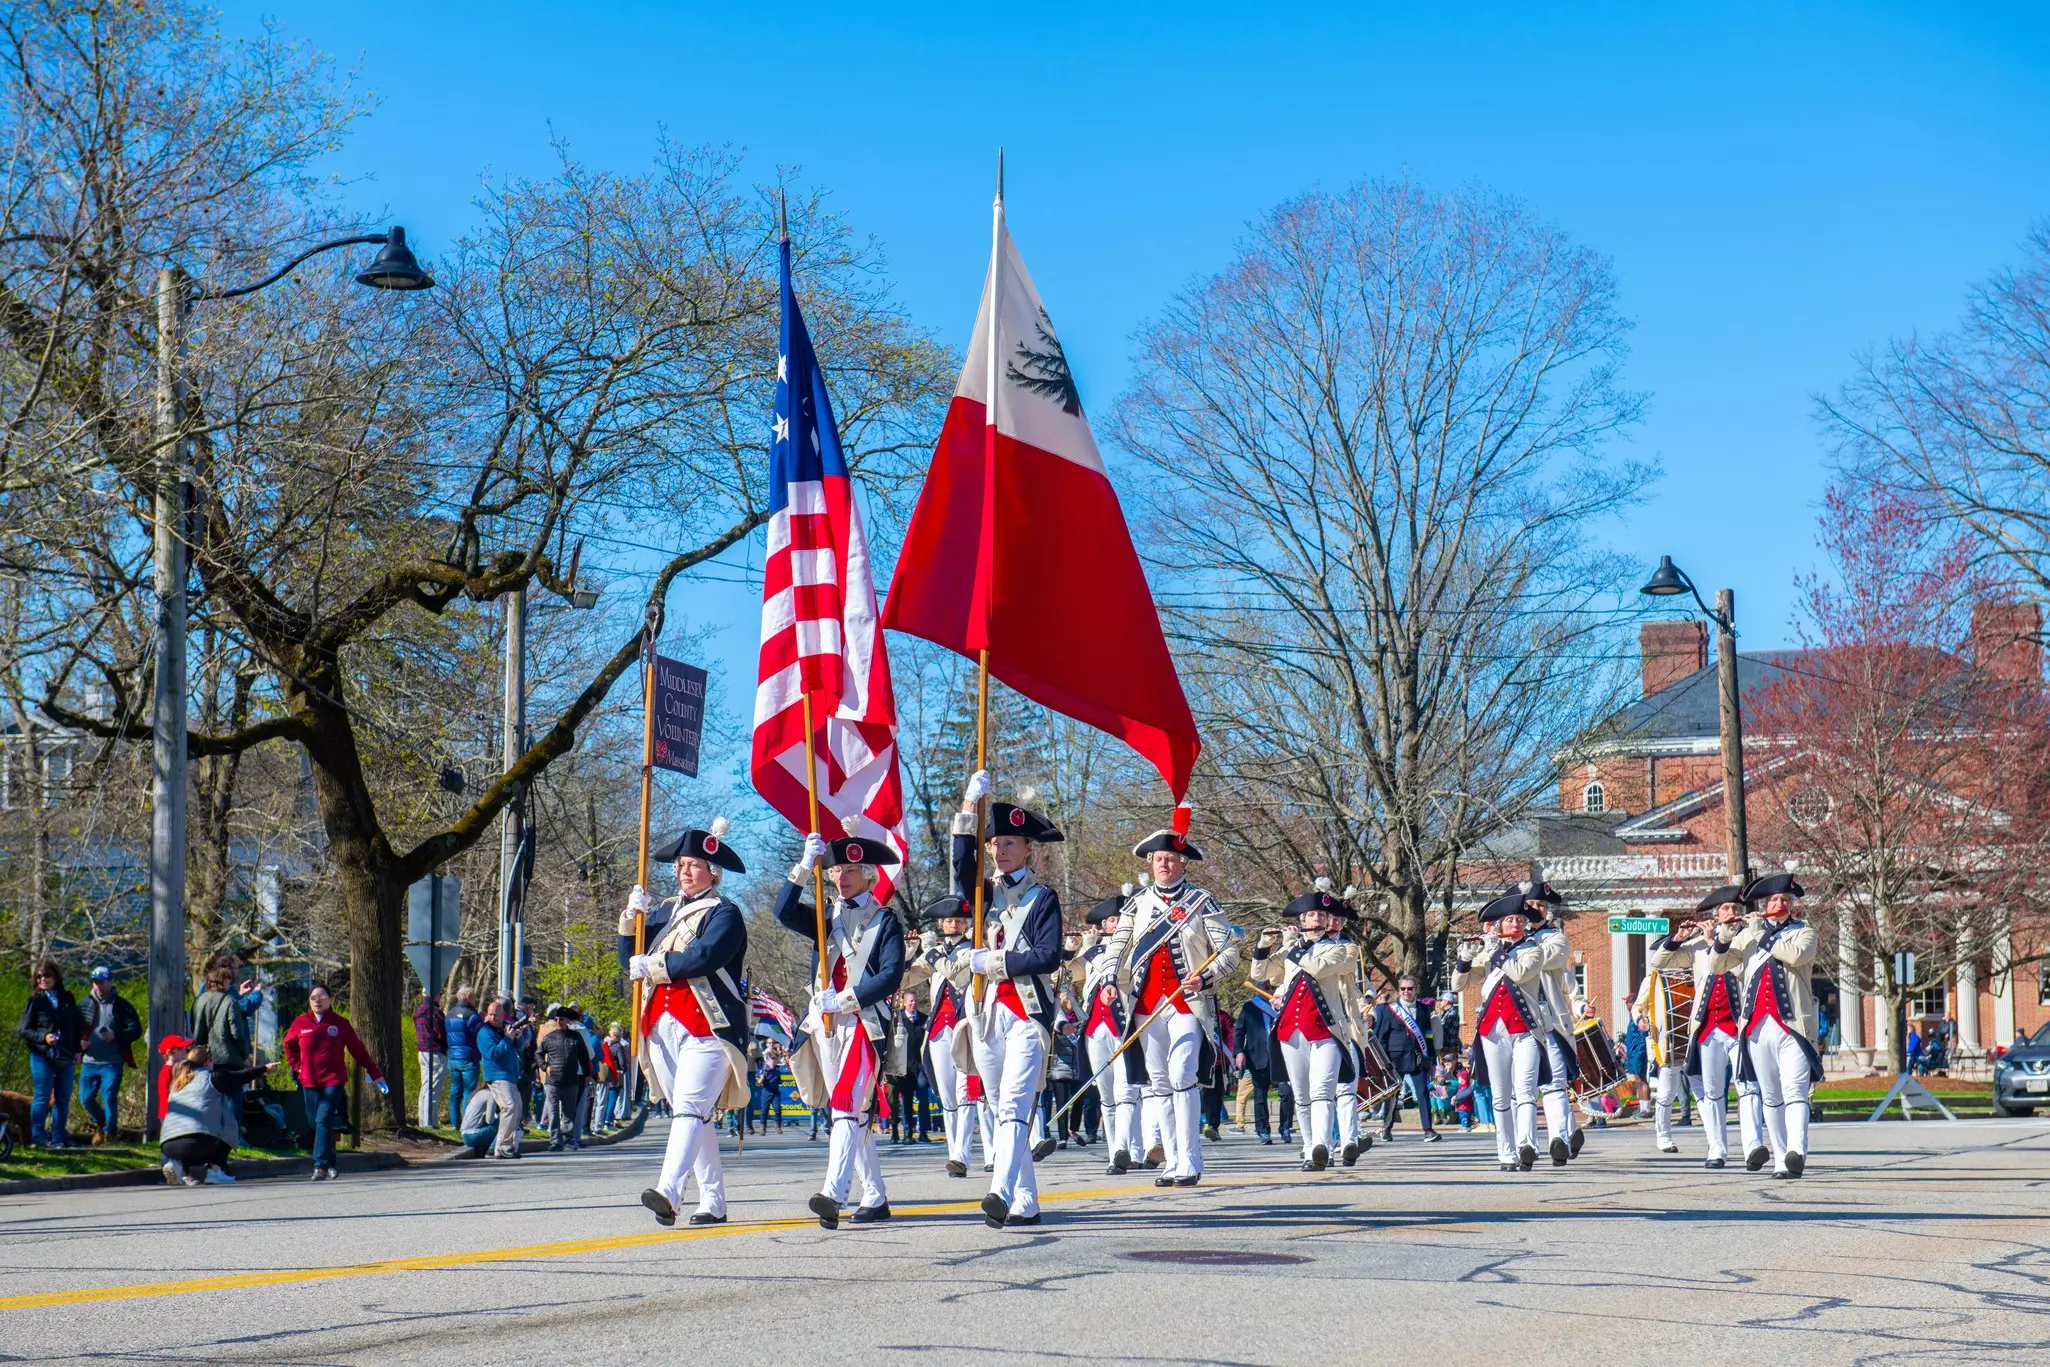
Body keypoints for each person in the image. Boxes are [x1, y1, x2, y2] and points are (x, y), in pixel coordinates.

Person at [1100, 804, 1241, 1189]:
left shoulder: (1202, 901)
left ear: (1183, 864)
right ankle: (1171, 1160)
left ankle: (1191, 1160)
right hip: (1146, 1005)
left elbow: (1230, 952)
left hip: (1186, 1004)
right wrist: (1110, 977)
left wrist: (1206, 976)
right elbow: (1118, 944)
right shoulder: (1137, 903)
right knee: (1158, 1082)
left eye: (1170, 859)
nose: (1163, 864)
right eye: (1158, 859)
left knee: (1182, 1074)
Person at [945, 777, 1065, 1228]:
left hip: (1027, 1014)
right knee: (999, 1108)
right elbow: (961, 864)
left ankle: (998, 1190)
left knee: (1014, 1106)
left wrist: (990, 960)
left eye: (1010, 843)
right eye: (995, 843)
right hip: (986, 1013)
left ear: (1028, 849)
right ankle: (1027, 1201)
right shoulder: (983, 893)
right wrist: (969, 804)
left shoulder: (1043, 897)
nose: (1000, 852)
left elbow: (1047, 955)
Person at [775, 825, 907, 1229]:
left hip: (864, 1023)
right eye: (835, 870)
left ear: (870, 875)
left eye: (851, 869)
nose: (841, 875)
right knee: (853, 1111)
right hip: (826, 1026)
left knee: (846, 1109)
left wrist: (846, 999)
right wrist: (801, 866)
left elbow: (889, 976)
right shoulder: (824, 915)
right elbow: (781, 910)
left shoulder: (885, 920)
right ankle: (876, 1195)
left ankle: (834, 1192)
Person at [623, 820, 753, 1226]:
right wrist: (632, 921)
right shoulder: (662, 913)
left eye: (694, 864)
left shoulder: (724, 913)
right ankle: (713, 1201)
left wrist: (655, 963)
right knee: (692, 1114)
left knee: (690, 1108)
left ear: (713, 872)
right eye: (681, 864)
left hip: (708, 1026)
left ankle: (669, 1191)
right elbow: (630, 962)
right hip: (661, 1025)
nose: (684, 871)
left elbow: (705, 957)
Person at [1251, 883, 1366, 1171]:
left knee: (1322, 1090)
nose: (1317, 919)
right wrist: (1264, 945)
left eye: (1321, 915)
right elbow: (1260, 974)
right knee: (1301, 1095)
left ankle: (1323, 1146)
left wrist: (1293, 947)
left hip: (1326, 1029)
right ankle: (1308, 1148)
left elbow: (1319, 968)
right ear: (1302, 921)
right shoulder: (1292, 950)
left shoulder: (1341, 948)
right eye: (1311, 915)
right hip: (1291, 1028)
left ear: (1328, 921)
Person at [1647, 885, 1761, 1169]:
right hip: (1708, 1027)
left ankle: (1753, 1147)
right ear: (1716, 915)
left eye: (1736, 909)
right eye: (1726, 910)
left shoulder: (1747, 938)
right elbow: (1658, 961)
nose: (1732, 914)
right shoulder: (1698, 945)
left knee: (1747, 1087)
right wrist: (1678, 938)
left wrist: (1746, 930)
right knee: (1712, 1093)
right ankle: (1717, 1149)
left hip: (1739, 1025)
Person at [1451, 891, 1556, 1172]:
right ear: (1498, 925)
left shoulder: (1534, 949)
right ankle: (1506, 1152)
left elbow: (1520, 974)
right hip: (1493, 1030)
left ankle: (1528, 1145)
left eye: (1520, 919)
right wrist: (1465, 958)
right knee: (1500, 1094)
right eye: (1509, 920)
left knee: (1525, 1091)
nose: (1515, 924)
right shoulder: (1488, 954)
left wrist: (1495, 950)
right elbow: (1459, 985)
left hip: (1525, 1029)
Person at [1733, 871, 1822, 1179]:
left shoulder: (1803, 932)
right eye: (1773, 899)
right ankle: (1781, 1158)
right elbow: (1720, 964)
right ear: (1764, 904)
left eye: (1785, 899)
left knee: (1795, 1090)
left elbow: (1794, 955)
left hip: (1793, 1026)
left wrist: (1760, 934)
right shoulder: (1748, 935)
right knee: (1771, 1096)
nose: (1780, 903)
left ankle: (1797, 1151)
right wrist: (1718, 937)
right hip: (1757, 1027)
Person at [282, 982, 387, 1181]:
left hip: (333, 1080)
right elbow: (289, 1046)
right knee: (315, 1122)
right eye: (313, 998)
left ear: (330, 1000)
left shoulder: (340, 1024)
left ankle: (319, 1166)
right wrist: (297, 1067)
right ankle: (331, 1160)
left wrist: (375, 1072)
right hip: (309, 1080)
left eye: (321, 997)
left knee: (323, 1119)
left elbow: (358, 1050)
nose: (317, 1001)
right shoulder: (301, 1023)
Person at [915, 895, 987, 1178]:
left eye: (958, 919)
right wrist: (908, 954)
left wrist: (931, 952)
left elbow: (956, 976)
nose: (953, 924)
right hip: (937, 1029)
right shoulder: (934, 951)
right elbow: (908, 978)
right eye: (948, 920)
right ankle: (953, 1154)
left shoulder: (973, 950)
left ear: (966, 922)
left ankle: (962, 1155)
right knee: (947, 1095)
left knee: (965, 1092)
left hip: (964, 1028)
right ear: (941, 924)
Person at [1077, 890, 1143, 1172]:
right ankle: (1115, 1149)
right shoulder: (1091, 952)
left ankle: (1125, 1149)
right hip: (1096, 1027)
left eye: (1120, 920)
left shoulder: (1137, 948)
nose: (1115, 925)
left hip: (1124, 1024)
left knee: (1126, 1091)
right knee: (1107, 1095)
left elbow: (1126, 973)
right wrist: (1080, 947)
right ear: (1104, 926)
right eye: (1111, 921)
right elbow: (1066, 975)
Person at [1522, 884, 1585, 1162]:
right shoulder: (1509, 939)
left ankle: (1558, 1139)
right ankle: (1528, 1145)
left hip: (1550, 1022)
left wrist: (1515, 950)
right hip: (1520, 1023)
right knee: (1522, 1089)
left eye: (1542, 906)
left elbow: (1549, 960)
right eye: (1532, 904)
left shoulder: (1555, 938)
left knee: (1555, 1083)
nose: (1537, 909)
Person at [159, 1044, 263, 1186]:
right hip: (197, 1143)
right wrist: (265, 1068)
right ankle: (215, 1171)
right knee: (225, 1127)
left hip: (167, 1145)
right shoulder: (213, 1077)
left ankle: (177, 1165)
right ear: (207, 1061)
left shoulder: (179, 1081)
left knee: (193, 1134)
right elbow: (243, 1075)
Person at [18, 959, 81, 1148]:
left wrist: (78, 1050)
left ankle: (58, 1138)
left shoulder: (68, 998)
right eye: (39, 976)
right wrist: (44, 1037)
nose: (42, 979)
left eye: (46, 975)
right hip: (41, 1054)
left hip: (65, 1054)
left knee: (63, 1096)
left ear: (55, 976)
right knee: (42, 1095)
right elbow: (24, 1029)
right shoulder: (35, 1000)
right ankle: (38, 1138)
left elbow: (76, 1026)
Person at [77, 965, 142, 1142]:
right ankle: (102, 1122)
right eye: (95, 982)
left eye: (102, 982)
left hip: (113, 1061)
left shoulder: (122, 1006)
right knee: (85, 1098)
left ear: (110, 982)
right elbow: (74, 1029)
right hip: (90, 1061)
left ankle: (109, 1133)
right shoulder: (84, 1005)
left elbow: (136, 1030)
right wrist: (79, 1044)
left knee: (109, 1095)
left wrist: (117, 1035)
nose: (98, 986)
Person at [1374, 974, 1440, 1142]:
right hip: (1395, 1058)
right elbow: (1382, 1036)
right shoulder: (1389, 1009)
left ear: (1416, 990)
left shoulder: (1424, 1009)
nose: (1406, 992)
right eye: (1403, 989)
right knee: (1392, 1094)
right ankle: (1386, 1128)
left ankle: (1428, 1130)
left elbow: (1428, 1036)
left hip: (1418, 1057)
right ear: (1398, 990)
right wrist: (1382, 1061)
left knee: (1423, 1092)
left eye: (1410, 988)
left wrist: (1432, 1060)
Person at [476, 996, 529, 1159]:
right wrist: (507, 1039)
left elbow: (519, 1047)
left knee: (518, 1108)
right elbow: (493, 1054)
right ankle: (501, 1147)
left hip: (511, 1076)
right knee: (509, 1106)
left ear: (502, 1015)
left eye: (496, 1015)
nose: (493, 1017)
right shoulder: (485, 1033)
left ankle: (510, 1145)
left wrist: (517, 1037)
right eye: (490, 1014)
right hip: (497, 1075)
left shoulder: (505, 1028)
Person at [537, 1003, 592, 1151]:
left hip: (571, 1081)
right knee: (553, 1112)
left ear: (567, 1021)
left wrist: (587, 1075)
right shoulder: (549, 1038)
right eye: (557, 1019)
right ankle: (555, 1140)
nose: (559, 1022)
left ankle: (568, 1139)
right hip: (552, 1082)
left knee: (569, 1113)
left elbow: (584, 1057)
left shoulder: (576, 1037)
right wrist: (544, 1066)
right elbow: (538, 1054)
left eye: (562, 1019)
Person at [1234, 978, 1279, 1144]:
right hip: (1258, 1056)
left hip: (1281, 1055)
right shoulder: (1250, 1007)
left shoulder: (1281, 1004)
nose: (1270, 990)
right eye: (1267, 987)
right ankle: (1263, 1131)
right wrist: (1239, 1052)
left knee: (1287, 1093)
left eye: (1272, 987)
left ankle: (1285, 1128)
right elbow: (1239, 1031)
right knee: (1260, 1094)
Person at [885, 990, 929, 1144]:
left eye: (915, 1001)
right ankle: (907, 1134)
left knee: (924, 1096)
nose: (913, 1003)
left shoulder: (924, 1019)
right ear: (904, 1002)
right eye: (910, 1001)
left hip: (920, 1067)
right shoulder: (898, 1020)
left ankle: (923, 1132)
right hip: (903, 1068)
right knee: (906, 1102)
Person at [445, 985, 482, 1125]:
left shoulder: (449, 1013)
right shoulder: (471, 1015)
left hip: (453, 1057)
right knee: (469, 1092)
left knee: (455, 1092)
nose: (475, 999)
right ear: (468, 997)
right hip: (469, 1058)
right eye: (473, 997)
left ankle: (455, 1124)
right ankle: (467, 1124)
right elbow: (478, 1034)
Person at [413, 989, 448, 1129]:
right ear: (434, 995)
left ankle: (423, 1121)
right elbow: (441, 1034)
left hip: (422, 1052)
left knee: (425, 1089)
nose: (440, 997)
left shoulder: (419, 1011)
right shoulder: (435, 1013)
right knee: (433, 1090)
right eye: (440, 994)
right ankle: (430, 1123)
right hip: (435, 1053)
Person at [459, 1084, 503, 1155]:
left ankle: (483, 1149)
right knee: (504, 1120)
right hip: (474, 1136)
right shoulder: (490, 1095)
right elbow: (489, 1120)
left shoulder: (479, 1093)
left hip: (465, 1136)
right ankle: (491, 1150)